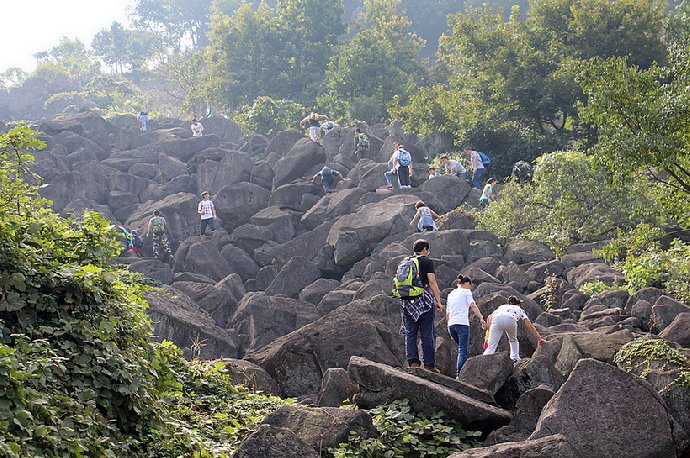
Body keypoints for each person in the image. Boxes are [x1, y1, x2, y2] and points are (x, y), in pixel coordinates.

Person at [399, 239, 443, 372]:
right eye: (428, 250)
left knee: (410, 333)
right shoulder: (426, 261)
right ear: (424, 249)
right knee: (427, 333)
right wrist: (438, 301)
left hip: (408, 301)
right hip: (424, 301)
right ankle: (429, 364)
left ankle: (413, 363)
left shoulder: (406, 261)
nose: (428, 252)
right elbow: (432, 281)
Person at [483, 296, 545, 362]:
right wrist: (539, 339)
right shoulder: (519, 309)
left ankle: (485, 358)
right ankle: (515, 358)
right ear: (518, 304)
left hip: (497, 319)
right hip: (510, 319)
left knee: (491, 345)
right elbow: (528, 323)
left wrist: (488, 334)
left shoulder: (502, 307)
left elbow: (489, 317)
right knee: (513, 340)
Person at [446, 275, 486, 377]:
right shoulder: (466, 292)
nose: (470, 289)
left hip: (451, 325)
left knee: (461, 349)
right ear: (468, 284)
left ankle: (463, 371)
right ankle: (459, 375)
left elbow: (447, 314)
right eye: (470, 286)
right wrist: (481, 318)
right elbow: (473, 305)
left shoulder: (451, 294)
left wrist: (449, 325)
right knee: (463, 350)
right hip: (462, 324)